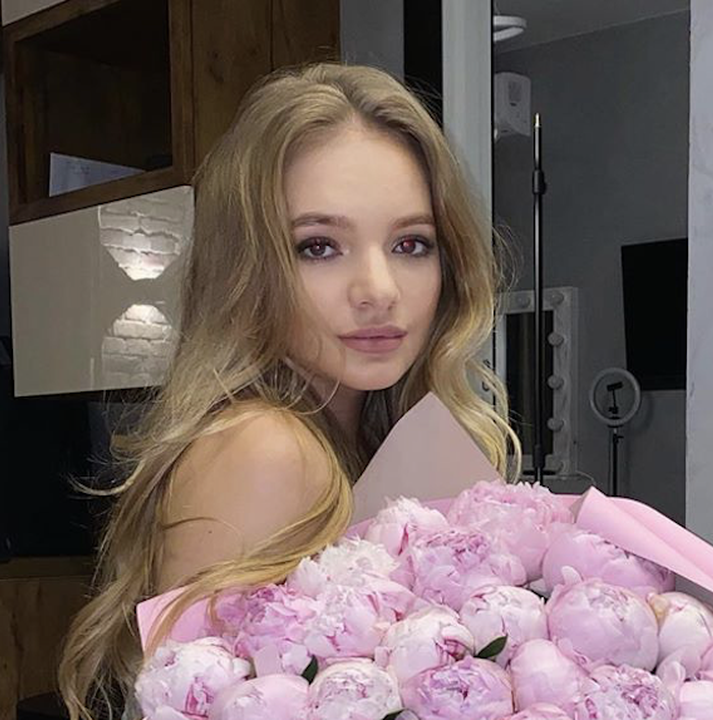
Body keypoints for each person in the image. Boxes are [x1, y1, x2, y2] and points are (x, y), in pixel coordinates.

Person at [57, 63, 516, 720]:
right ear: (247, 267)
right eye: (319, 247)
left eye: (411, 243)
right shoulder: (263, 449)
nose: (379, 289)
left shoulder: (373, 432)